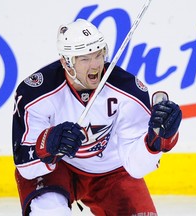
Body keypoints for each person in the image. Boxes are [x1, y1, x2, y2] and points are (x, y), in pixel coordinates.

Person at [12, 18, 182, 216]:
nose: (95, 66)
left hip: (111, 172)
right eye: (84, 59)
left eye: (99, 55)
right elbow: (25, 166)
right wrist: (48, 144)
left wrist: (156, 142)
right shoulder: (36, 94)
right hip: (59, 167)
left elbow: (136, 167)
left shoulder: (128, 90)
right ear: (66, 62)